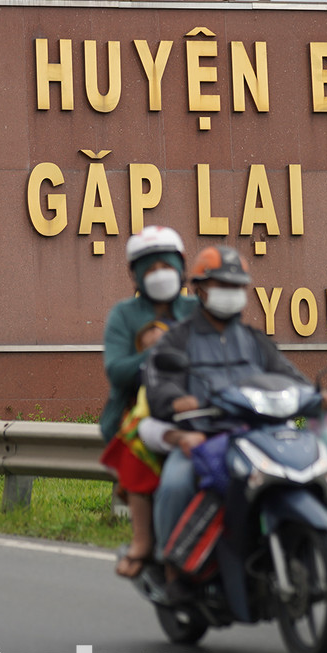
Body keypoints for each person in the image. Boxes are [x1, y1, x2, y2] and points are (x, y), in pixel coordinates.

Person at [143, 245, 327, 565]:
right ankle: (172, 566)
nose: (231, 293)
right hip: (204, 438)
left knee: (316, 471)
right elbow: (158, 382)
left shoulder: (253, 339)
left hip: (258, 434)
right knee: (177, 483)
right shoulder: (177, 338)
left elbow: (287, 374)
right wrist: (175, 399)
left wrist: (315, 395)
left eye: (237, 286)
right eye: (223, 285)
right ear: (200, 289)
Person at [98, 226, 198, 578]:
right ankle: (143, 540)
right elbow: (117, 371)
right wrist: (158, 352)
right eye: (150, 268)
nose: (159, 274)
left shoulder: (197, 308)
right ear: (135, 274)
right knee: (138, 447)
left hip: (200, 404)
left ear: (181, 266)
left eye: (165, 266)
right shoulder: (125, 316)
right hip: (142, 408)